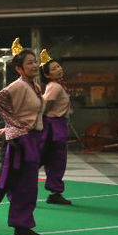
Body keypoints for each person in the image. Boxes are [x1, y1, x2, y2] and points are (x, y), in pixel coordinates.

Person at [0, 40, 45, 235]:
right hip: (18, 142)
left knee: (28, 185)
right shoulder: (19, 86)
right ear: (19, 68)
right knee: (5, 182)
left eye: (35, 61)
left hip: (31, 139)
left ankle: (22, 224)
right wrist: (13, 125)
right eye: (29, 62)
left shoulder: (34, 86)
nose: (34, 65)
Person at [39, 50, 72, 205]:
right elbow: (44, 106)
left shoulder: (58, 85)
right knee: (52, 159)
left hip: (57, 125)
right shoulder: (55, 87)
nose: (59, 69)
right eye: (54, 69)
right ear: (47, 75)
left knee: (54, 160)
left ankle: (55, 192)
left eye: (58, 66)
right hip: (53, 126)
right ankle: (53, 192)